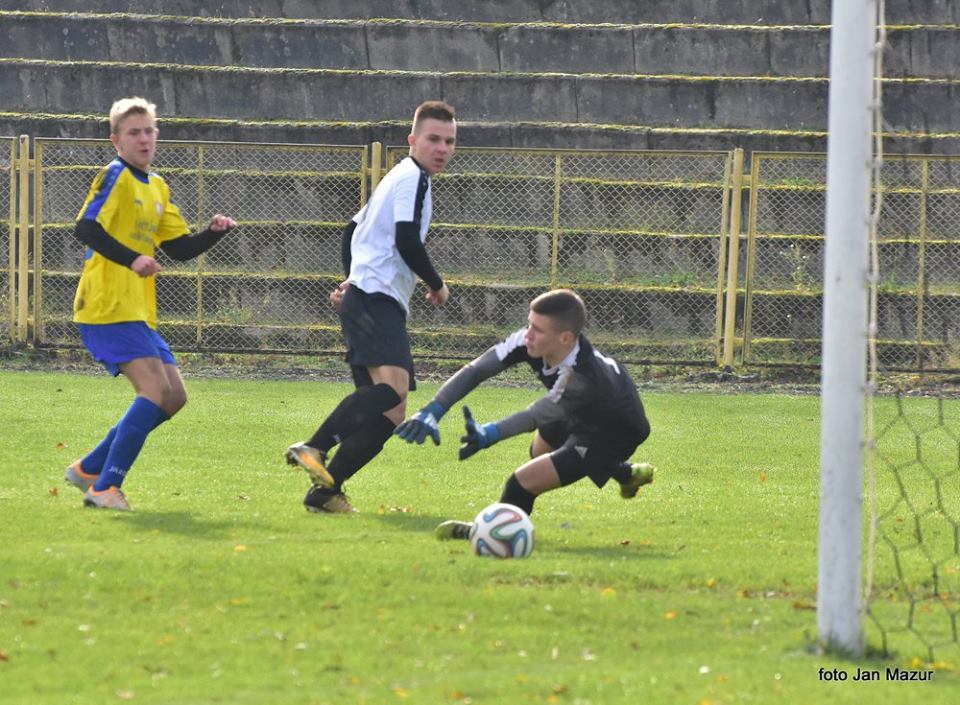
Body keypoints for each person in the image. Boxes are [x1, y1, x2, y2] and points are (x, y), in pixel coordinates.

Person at [63, 97, 236, 510]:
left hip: (136, 310)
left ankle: (89, 467)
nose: (144, 139)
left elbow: (177, 248)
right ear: (116, 140)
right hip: (106, 304)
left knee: (173, 397)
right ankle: (105, 487)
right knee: (155, 389)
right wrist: (132, 259)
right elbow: (85, 227)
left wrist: (212, 233)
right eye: (134, 132)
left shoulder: (157, 186)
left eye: (149, 131)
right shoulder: (115, 175)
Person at [284, 101, 456, 513]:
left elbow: (351, 229)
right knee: (392, 392)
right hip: (376, 299)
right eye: (433, 139)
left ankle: (325, 493)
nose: (442, 148)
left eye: (450, 142)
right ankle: (315, 446)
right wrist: (437, 285)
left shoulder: (398, 177)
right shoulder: (413, 178)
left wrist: (350, 279)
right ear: (412, 140)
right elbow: (406, 239)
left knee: (391, 412)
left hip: (368, 295)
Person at [393, 289, 655, 538]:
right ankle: (625, 474)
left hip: (612, 433)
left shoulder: (583, 377)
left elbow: (535, 416)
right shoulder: (531, 341)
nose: (528, 334)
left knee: (522, 482)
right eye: (529, 324)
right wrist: (433, 410)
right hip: (577, 412)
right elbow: (476, 370)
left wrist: (489, 434)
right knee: (539, 451)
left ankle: (492, 534)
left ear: (565, 338)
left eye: (538, 330)